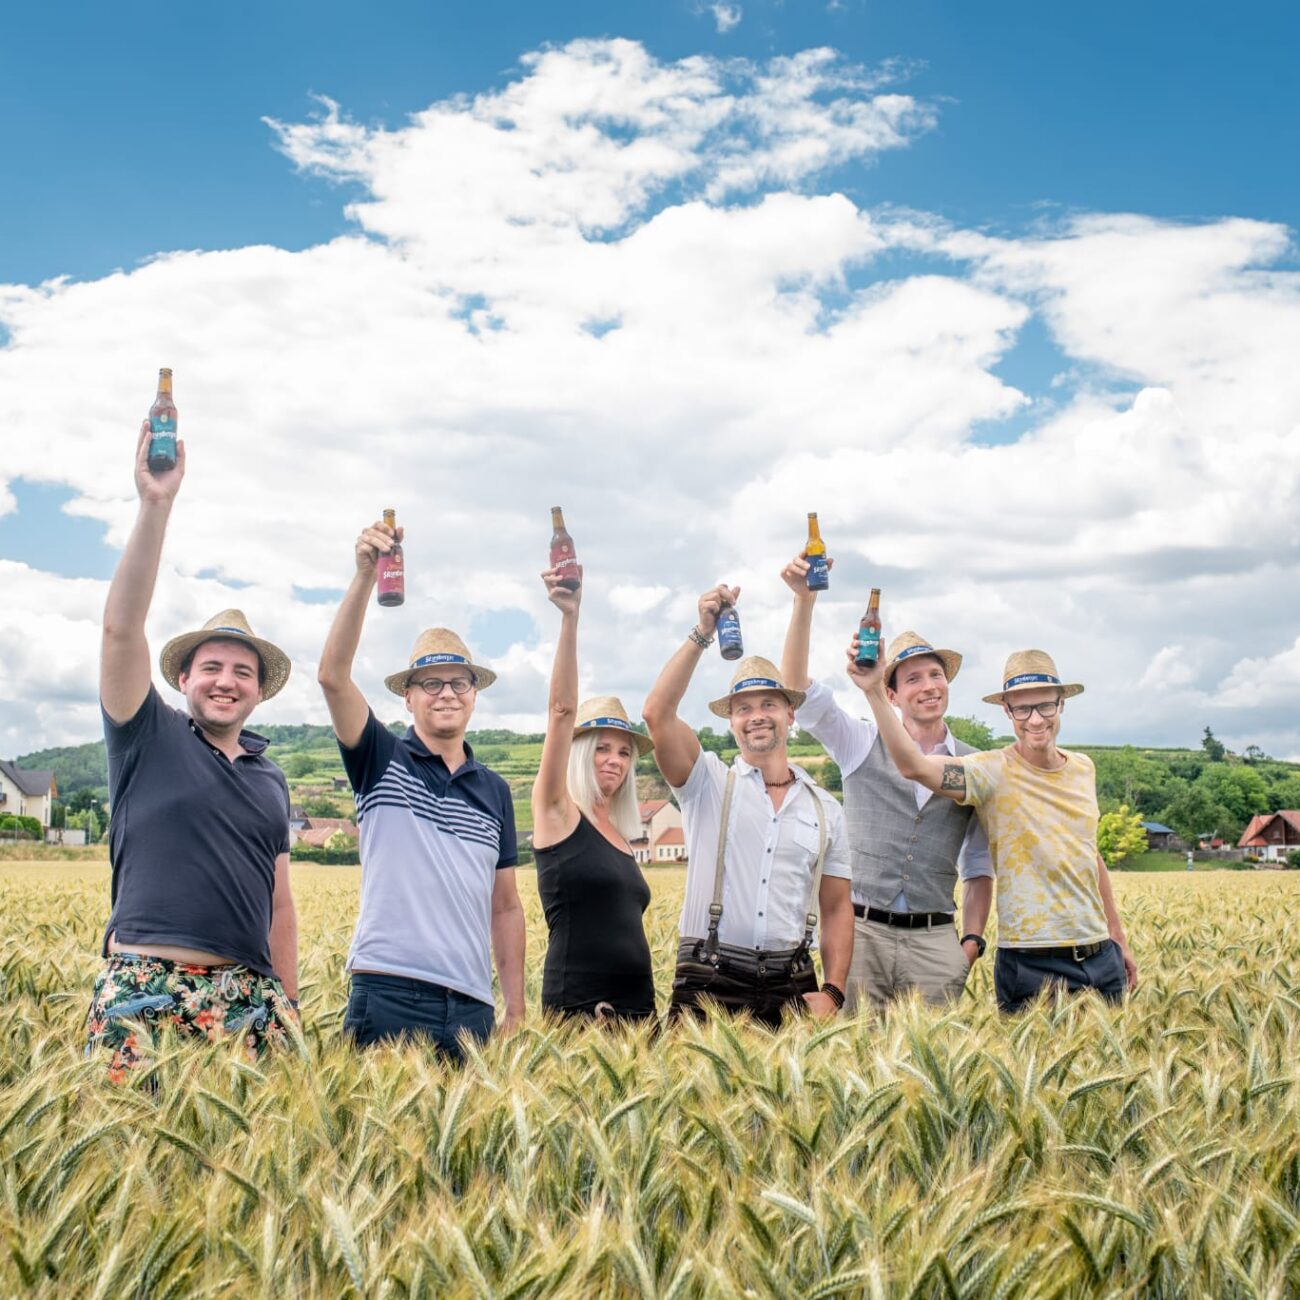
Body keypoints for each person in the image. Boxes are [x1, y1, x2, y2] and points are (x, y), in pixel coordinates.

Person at [87, 421, 299, 1081]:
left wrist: (287, 1005)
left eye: (243, 671)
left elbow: (281, 905)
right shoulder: (147, 736)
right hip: (142, 989)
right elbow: (122, 631)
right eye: (212, 666)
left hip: (248, 999)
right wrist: (156, 505)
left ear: (259, 692)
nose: (226, 681)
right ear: (183, 679)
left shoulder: (271, 779)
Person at [317, 516, 525, 1058]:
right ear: (407, 698)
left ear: (475, 695)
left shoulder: (496, 791)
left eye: (460, 682)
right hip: (386, 989)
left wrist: (517, 1008)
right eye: (429, 683)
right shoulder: (380, 759)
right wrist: (364, 577)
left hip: (471, 1005)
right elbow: (333, 678)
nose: (447, 693)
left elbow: (505, 907)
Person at [851, 636, 1138, 1014]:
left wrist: (1117, 936)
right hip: (1029, 963)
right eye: (1022, 710)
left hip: (1100, 957)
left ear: (1061, 703)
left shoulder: (1084, 768)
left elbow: (1090, 854)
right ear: (1007, 712)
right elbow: (914, 766)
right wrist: (873, 693)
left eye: (1045, 705)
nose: (1035, 719)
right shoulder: (989, 770)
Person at [780, 556, 994, 1013]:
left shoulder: (974, 764)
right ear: (892, 694)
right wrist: (804, 602)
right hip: (862, 935)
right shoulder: (859, 740)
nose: (929, 685)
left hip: (936, 939)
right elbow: (795, 688)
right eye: (913, 678)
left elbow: (979, 862)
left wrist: (970, 943)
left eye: (937, 674)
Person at [643, 584, 853, 1028]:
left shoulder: (825, 808)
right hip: (709, 975)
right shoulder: (708, 782)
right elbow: (657, 715)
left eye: (768, 704)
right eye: (743, 708)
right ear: (731, 721)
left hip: (793, 980)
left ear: (790, 714)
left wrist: (833, 990)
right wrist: (702, 632)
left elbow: (836, 907)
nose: (756, 715)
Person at [531, 567, 657, 1024]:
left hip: (638, 1013)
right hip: (584, 1011)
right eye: (601, 748)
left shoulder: (621, 835)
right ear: (579, 752)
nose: (614, 760)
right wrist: (570, 618)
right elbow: (562, 711)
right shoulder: (557, 812)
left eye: (624, 753)